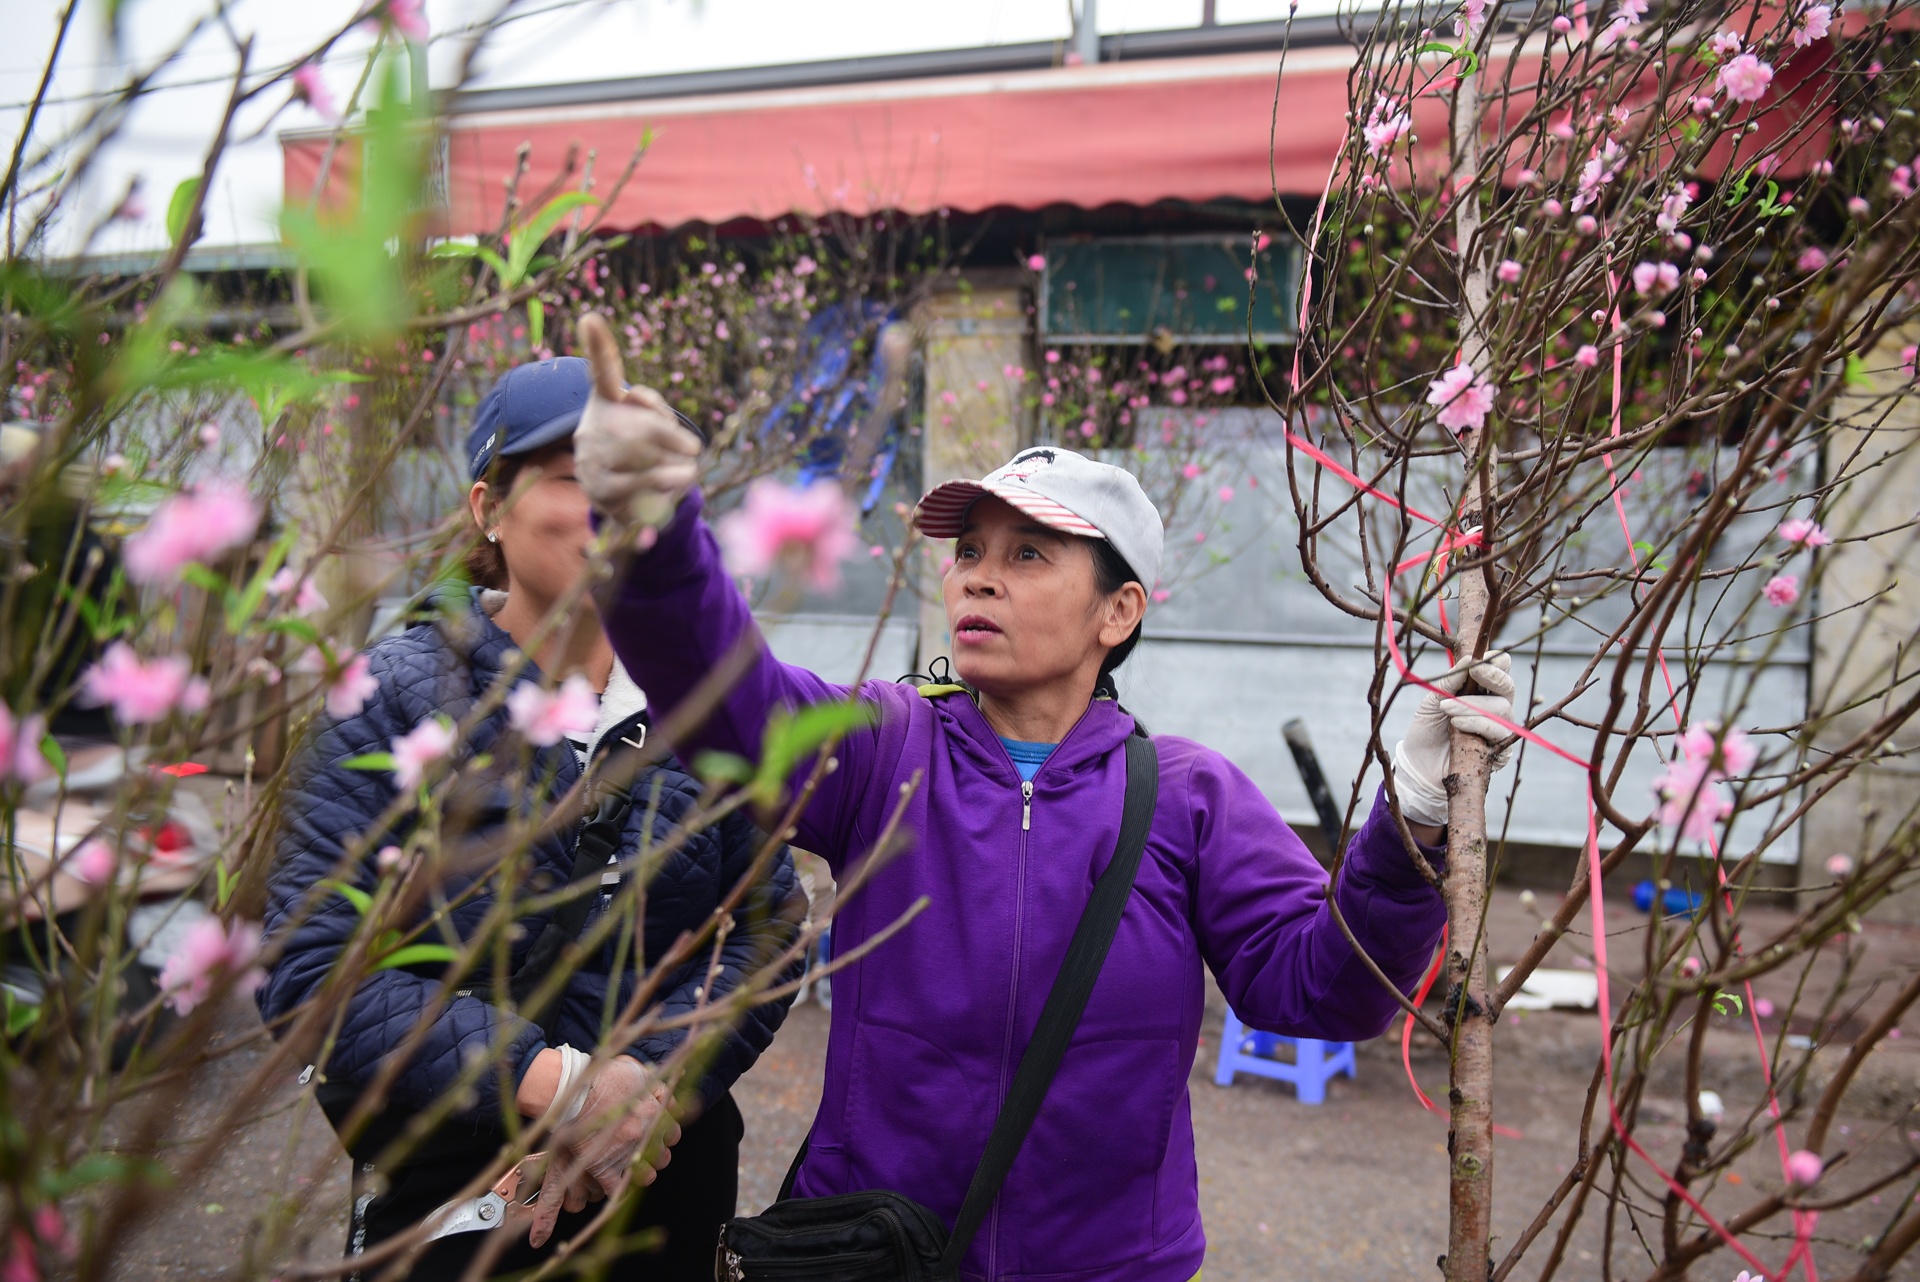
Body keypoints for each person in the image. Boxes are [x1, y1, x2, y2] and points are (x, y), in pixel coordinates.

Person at [570, 321, 1517, 1282]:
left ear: (1119, 612)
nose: (978, 572)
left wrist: (1415, 819)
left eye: (1030, 555)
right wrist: (654, 539)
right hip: (876, 1248)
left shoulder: (1188, 799)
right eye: (970, 549)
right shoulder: (884, 747)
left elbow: (1324, 986)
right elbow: (729, 701)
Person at [257, 357, 804, 1280]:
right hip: (460, 1186)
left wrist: (652, 1088)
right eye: (573, 475)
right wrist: (563, 1084)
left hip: (662, 1178)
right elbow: (314, 973)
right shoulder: (389, 699)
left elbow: (767, 927)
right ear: (487, 509)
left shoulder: (710, 696)